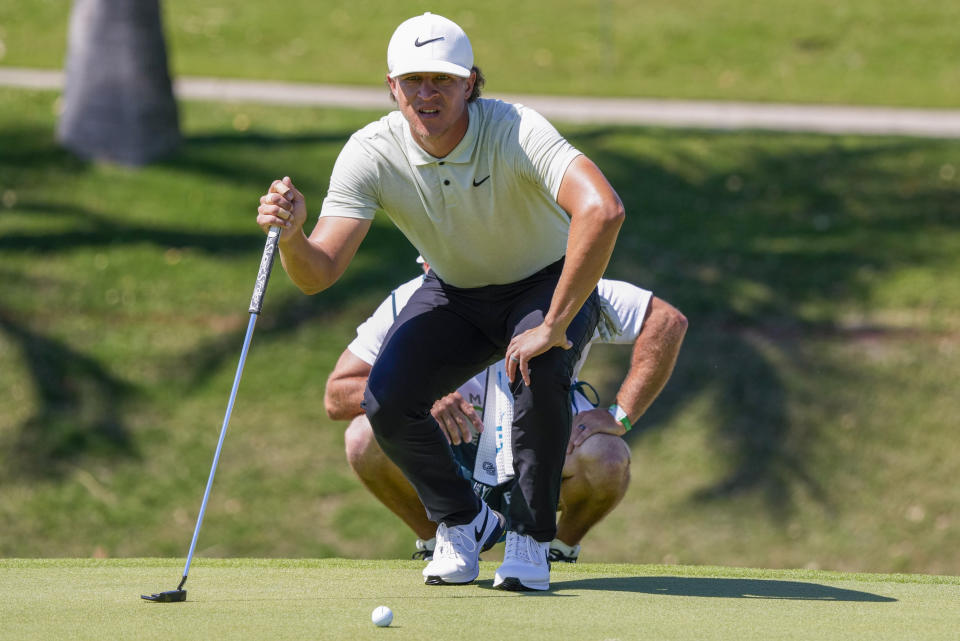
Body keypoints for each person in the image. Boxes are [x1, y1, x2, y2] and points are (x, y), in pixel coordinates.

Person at [256, 12, 625, 591]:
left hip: (542, 282)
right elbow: (318, 274)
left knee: (539, 364)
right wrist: (296, 236)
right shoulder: (371, 151)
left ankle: (528, 540)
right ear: (392, 87)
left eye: (443, 80)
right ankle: (464, 522)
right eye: (413, 81)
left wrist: (554, 324)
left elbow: (602, 209)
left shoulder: (513, 129)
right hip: (456, 290)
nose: (427, 94)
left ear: (470, 82)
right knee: (386, 396)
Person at [324, 260, 687, 565]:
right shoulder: (407, 300)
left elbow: (666, 321)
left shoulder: (564, 285)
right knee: (362, 437)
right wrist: (417, 396)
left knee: (607, 457)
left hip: (544, 441)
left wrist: (620, 414)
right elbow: (337, 394)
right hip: (448, 448)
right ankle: (441, 542)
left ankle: (556, 551)